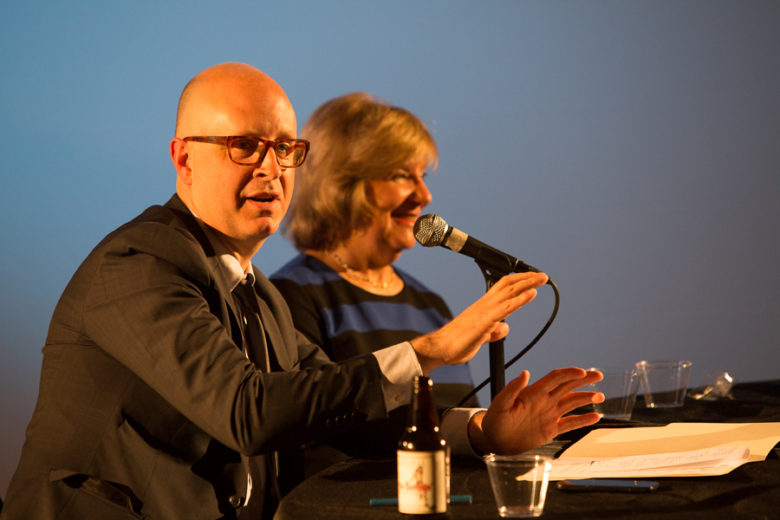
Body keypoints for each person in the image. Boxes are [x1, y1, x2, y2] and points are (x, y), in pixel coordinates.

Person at [1, 63, 603, 520]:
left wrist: (483, 432)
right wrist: (430, 350)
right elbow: (247, 411)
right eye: (244, 146)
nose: (271, 168)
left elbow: (340, 412)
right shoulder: (138, 261)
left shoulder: (259, 293)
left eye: (285, 149)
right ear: (183, 159)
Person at [272, 92, 476, 410]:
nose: (425, 196)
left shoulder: (430, 306)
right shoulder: (291, 298)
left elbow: (461, 419)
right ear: (342, 185)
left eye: (422, 176)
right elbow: (317, 419)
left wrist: (502, 427)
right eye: (401, 176)